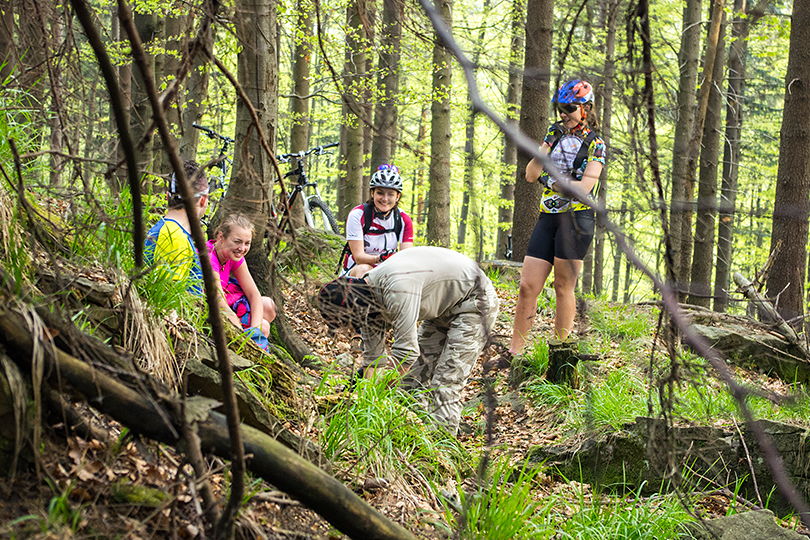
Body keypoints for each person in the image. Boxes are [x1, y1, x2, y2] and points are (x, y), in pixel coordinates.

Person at [318, 246, 499, 435]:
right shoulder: (365, 300)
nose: (350, 328)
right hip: (442, 308)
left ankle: (440, 449)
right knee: (410, 382)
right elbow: (374, 360)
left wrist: (382, 390)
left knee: (445, 382)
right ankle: (414, 436)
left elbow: (406, 352)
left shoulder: (397, 289)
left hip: (475, 302)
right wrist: (362, 402)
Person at [509, 79, 606, 355]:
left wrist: (551, 181)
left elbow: (583, 189)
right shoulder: (554, 135)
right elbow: (530, 174)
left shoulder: (596, 144)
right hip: (548, 215)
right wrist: (548, 145)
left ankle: (560, 352)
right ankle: (515, 353)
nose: (563, 113)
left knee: (563, 286)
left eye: (569, 108)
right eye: (559, 108)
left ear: (586, 108)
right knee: (528, 286)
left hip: (577, 220)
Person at [206, 213, 277, 338]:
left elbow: (254, 294)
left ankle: (253, 335)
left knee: (268, 306)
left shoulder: (233, 256)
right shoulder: (209, 255)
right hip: (210, 303)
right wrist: (240, 332)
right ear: (221, 237)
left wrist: (255, 330)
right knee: (264, 326)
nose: (242, 248)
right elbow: (217, 299)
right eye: (237, 242)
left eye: (247, 243)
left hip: (226, 297)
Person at [144, 160, 210, 294]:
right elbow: (168, 297)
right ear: (203, 200)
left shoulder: (172, 231)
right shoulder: (174, 236)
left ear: (167, 196)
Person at [339, 164, 414, 277]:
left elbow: (405, 257)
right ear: (372, 193)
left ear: (397, 196)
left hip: (387, 271)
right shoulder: (358, 215)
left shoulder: (403, 219)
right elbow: (359, 258)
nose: (385, 199)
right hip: (356, 270)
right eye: (380, 193)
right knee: (364, 270)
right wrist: (380, 258)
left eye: (390, 194)